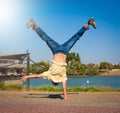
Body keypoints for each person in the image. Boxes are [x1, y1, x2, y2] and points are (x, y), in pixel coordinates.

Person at [21, 17, 96, 101]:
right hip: (58, 50)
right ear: (53, 81)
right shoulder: (50, 74)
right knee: (46, 38)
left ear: (57, 82)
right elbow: (37, 76)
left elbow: (64, 88)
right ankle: (34, 24)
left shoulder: (61, 77)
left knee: (75, 37)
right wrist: (27, 77)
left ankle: (88, 24)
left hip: (63, 50)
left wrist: (65, 97)